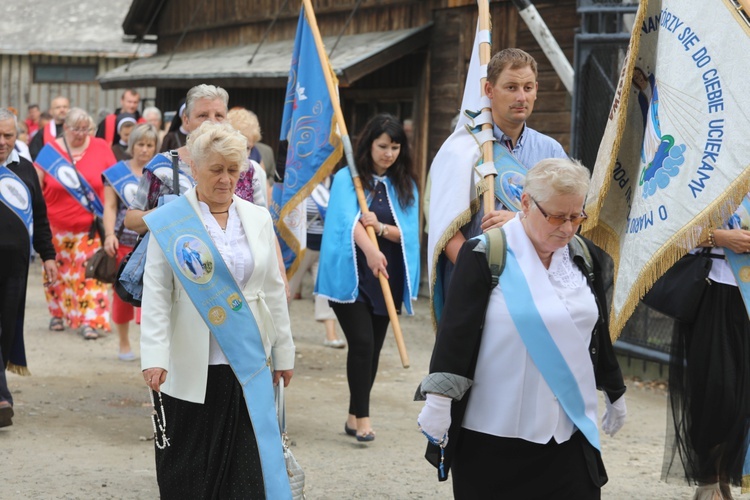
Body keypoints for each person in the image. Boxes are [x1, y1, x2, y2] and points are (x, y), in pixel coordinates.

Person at [417, 158, 627, 498]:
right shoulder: (485, 254)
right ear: (526, 203)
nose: (569, 227)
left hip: (566, 436)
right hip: (493, 437)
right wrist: (439, 402)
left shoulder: (582, 256)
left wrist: (614, 389)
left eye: (577, 216)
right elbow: (456, 335)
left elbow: (596, 330)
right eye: (557, 216)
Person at [140, 121, 294, 497]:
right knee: (188, 471)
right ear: (194, 168)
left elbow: (273, 290)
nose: (226, 179)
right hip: (188, 363)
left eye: (233, 170)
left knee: (244, 474)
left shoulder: (257, 219)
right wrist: (154, 356)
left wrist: (284, 352)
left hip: (248, 363)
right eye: (216, 170)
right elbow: (157, 293)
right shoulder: (171, 222)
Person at [428, 48, 569, 324]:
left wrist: (520, 221)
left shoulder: (551, 152)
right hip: (473, 285)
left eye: (528, 88)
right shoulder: (462, 150)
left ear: (537, 89)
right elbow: (444, 228)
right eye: (511, 87)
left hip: (534, 286)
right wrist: (481, 272)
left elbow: (567, 220)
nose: (521, 97)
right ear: (489, 89)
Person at [316, 114, 420, 441]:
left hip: (386, 278)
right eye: (383, 146)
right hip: (351, 275)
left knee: (371, 349)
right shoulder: (349, 178)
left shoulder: (406, 185)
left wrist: (382, 229)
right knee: (361, 343)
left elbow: (409, 234)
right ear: (369, 144)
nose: (389, 153)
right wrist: (371, 248)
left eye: (395, 147)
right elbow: (345, 221)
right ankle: (363, 418)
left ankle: (352, 414)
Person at [661, 206, 750, 499]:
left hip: (746, 300)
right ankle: (709, 480)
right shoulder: (706, 169)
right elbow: (668, 232)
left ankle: (723, 478)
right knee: (716, 392)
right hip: (713, 292)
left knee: (742, 399)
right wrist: (720, 238)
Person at [35, 107, 115, 339]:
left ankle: (90, 320)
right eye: (75, 129)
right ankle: (58, 314)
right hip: (55, 228)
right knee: (57, 273)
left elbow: (112, 181)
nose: (81, 133)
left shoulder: (100, 147)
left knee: (90, 275)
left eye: (85, 129)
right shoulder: (50, 152)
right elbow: (36, 185)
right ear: (65, 128)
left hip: (89, 228)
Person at [0, 108, 57, 427]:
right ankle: (2, 396)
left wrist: (47, 256)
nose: (3, 141)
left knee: (8, 327)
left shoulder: (25, 170)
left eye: (9, 135)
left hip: (16, 265)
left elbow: (40, 215)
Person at [102, 124, 158, 361]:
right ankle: (124, 342)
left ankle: (151, 345)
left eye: (149, 145)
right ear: (131, 145)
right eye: (140, 144)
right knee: (123, 294)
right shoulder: (116, 172)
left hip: (152, 242)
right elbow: (110, 207)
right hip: (123, 242)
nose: (144, 150)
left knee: (154, 295)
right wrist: (108, 235)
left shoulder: (161, 172)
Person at [287, 179, 345, 348]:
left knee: (326, 291)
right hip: (300, 248)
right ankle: (280, 333)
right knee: (287, 291)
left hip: (325, 247)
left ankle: (331, 334)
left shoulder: (335, 182)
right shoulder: (301, 180)